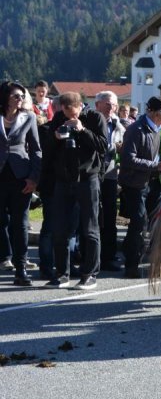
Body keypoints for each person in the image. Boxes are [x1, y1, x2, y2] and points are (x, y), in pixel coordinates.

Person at [45, 92, 108, 290]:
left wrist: (82, 130)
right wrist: (55, 137)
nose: (69, 118)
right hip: (64, 179)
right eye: (66, 114)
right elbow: (47, 148)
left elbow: (103, 146)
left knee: (90, 229)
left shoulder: (95, 118)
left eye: (72, 114)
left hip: (88, 178)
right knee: (60, 229)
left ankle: (90, 274)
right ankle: (62, 274)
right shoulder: (59, 118)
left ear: (80, 106)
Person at [118, 96, 161, 278]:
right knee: (139, 223)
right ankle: (131, 265)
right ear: (153, 112)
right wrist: (155, 165)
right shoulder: (136, 129)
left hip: (156, 183)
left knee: (156, 223)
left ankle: (154, 262)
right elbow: (128, 158)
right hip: (135, 184)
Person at [0, 82, 41, 286]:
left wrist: (34, 178)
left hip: (20, 178)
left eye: (22, 96)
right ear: (5, 97)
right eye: (16, 96)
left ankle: (21, 268)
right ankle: (4, 257)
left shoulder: (29, 117)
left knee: (21, 224)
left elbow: (36, 149)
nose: (20, 99)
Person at [93, 90, 127, 272]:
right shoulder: (90, 121)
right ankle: (91, 255)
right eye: (107, 104)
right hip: (92, 174)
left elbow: (124, 144)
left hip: (111, 174)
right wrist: (115, 147)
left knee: (110, 216)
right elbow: (95, 145)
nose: (111, 108)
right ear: (97, 104)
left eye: (114, 105)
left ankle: (109, 256)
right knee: (93, 216)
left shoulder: (117, 124)